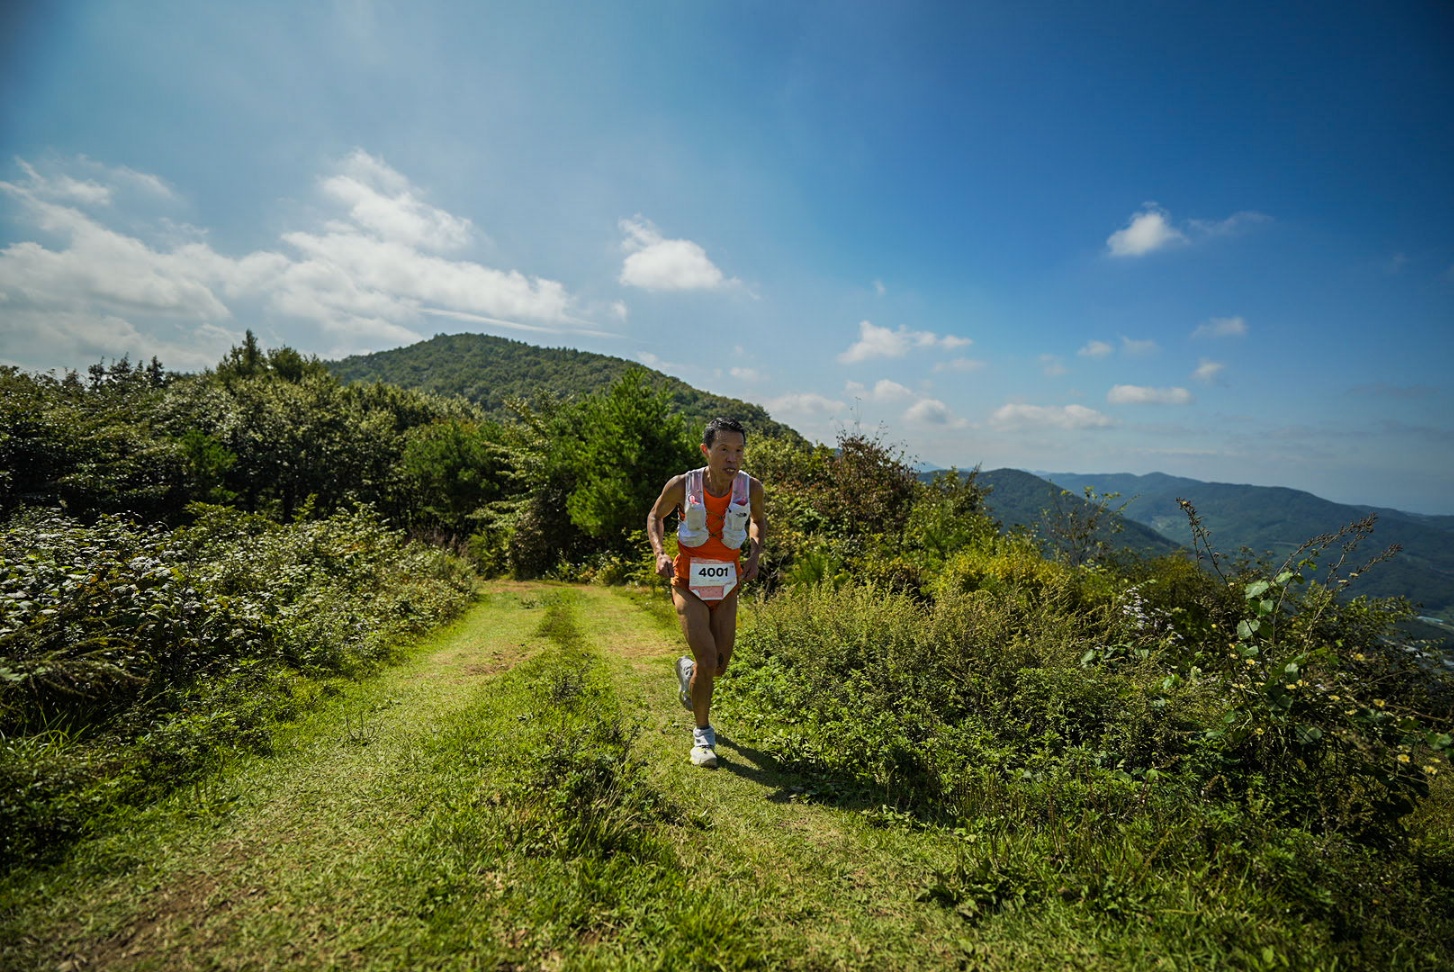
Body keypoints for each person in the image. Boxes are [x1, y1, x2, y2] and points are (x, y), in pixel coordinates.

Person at [647, 418, 767, 767]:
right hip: (688, 582)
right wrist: (660, 552)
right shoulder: (684, 484)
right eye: (724, 450)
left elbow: (758, 521)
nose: (733, 458)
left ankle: (689, 677)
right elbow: (656, 516)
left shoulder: (751, 487)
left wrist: (755, 554)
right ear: (707, 450)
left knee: (719, 665)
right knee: (705, 656)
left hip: (727, 584)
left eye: (739, 451)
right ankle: (703, 738)